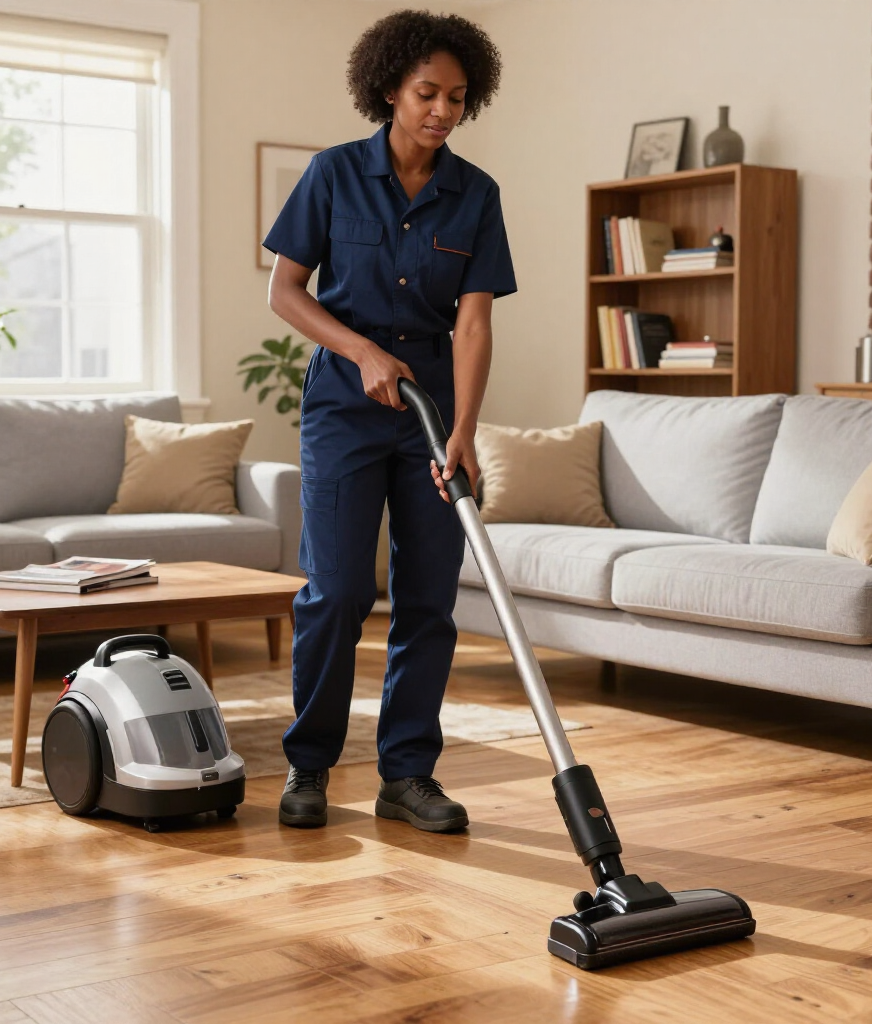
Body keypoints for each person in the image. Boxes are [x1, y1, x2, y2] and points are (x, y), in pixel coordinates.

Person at [264, 9, 516, 832]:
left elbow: (474, 323)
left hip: (432, 410)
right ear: (388, 90)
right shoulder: (333, 175)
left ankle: (407, 775)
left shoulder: (476, 195)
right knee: (336, 590)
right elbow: (286, 291)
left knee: (428, 599)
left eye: (457, 97)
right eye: (427, 93)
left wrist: (464, 432)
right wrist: (363, 351)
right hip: (344, 402)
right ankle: (310, 765)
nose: (443, 110)